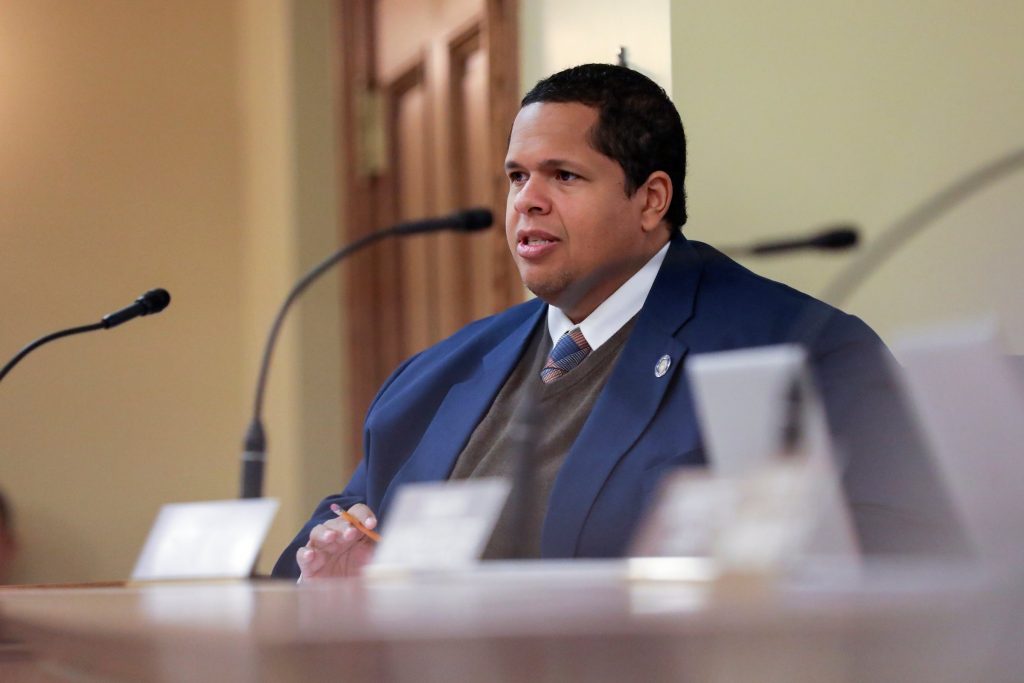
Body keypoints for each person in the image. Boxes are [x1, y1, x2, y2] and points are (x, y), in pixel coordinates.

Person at [273, 63, 963, 580]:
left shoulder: (799, 348)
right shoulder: (437, 374)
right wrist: (330, 561)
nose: (528, 203)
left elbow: (914, 550)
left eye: (562, 176)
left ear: (651, 198)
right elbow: (329, 534)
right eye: (516, 177)